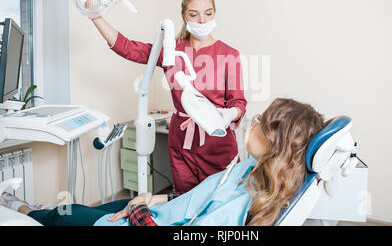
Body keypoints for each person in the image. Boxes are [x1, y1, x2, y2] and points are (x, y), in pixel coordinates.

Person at [1, 98, 325, 226]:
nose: (251, 122)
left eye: (260, 120)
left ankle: (23, 209)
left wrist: (138, 210)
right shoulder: (250, 169)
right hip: (157, 210)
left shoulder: (240, 205)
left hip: (147, 222)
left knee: (66, 214)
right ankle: (35, 209)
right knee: (93, 208)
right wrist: (154, 198)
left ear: (275, 140)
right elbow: (199, 199)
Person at [90, 0, 247, 193]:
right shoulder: (172, 51)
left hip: (216, 143)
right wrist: (95, 16)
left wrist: (229, 114)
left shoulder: (228, 54)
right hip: (182, 142)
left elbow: (239, 102)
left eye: (208, 14)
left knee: (218, 202)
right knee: (184, 201)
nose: (202, 21)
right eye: (194, 14)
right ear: (183, 16)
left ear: (214, 13)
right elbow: (128, 48)